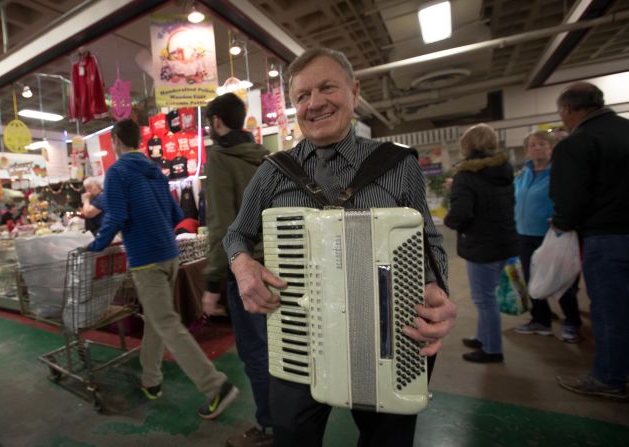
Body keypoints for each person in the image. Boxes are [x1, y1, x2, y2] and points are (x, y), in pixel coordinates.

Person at [223, 48, 455, 447]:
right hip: (300, 341)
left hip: (387, 332)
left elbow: (428, 240)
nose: (314, 103)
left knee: (388, 440)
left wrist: (437, 287)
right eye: (301, 96)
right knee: (293, 437)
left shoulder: (398, 164)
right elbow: (236, 234)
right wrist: (242, 264)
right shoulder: (271, 171)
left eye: (327, 87)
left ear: (353, 91)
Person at [87, 119, 239, 420]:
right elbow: (175, 213)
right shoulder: (154, 170)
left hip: (146, 260)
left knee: (166, 323)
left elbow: (115, 215)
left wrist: (96, 245)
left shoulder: (117, 172)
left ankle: (215, 386)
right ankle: (151, 380)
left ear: (116, 140)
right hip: (170, 255)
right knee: (158, 321)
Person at [550, 82, 629, 401]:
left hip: (607, 237)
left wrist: (562, 223)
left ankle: (609, 377)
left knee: (610, 310)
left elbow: (569, 196)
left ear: (568, 110)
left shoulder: (578, 143)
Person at [203, 92, 272, 447]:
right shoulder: (263, 156)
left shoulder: (219, 158)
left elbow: (220, 225)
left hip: (242, 267)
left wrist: (212, 282)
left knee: (255, 352)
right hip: (277, 263)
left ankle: (269, 429)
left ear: (216, 122)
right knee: (281, 348)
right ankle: (287, 421)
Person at [444, 123, 518, 364]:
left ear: (467, 146)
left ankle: (492, 349)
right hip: (504, 241)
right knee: (489, 296)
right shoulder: (503, 170)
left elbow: (461, 214)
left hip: (482, 246)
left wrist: (451, 206)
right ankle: (482, 337)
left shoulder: (466, 177)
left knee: (484, 299)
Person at [512, 131, 581, 342]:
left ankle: (572, 322)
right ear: (527, 150)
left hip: (552, 236)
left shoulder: (560, 173)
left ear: (551, 148)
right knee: (532, 280)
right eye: (532, 145)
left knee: (562, 281)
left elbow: (571, 199)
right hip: (524, 235)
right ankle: (541, 320)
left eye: (542, 144)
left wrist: (561, 218)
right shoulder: (523, 174)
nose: (537, 148)